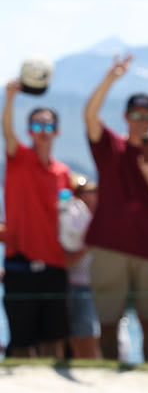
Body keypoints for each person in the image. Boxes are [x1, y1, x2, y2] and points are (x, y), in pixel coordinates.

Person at [83, 55, 148, 363]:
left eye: (147, 115)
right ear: (126, 116)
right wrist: (110, 78)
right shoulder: (110, 144)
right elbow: (90, 115)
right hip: (110, 246)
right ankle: (112, 379)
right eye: (136, 113)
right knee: (109, 323)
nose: (142, 119)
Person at [3, 78, 73, 359]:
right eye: (36, 125)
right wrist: (9, 99)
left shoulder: (63, 173)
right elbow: (6, 132)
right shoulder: (18, 158)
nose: (42, 131)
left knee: (55, 339)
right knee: (21, 341)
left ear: (57, 131)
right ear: (29, 131)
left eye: (47, 126)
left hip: (56, 262)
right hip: (21, 261)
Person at [61, 175, 100, 359]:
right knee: (83, 338)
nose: (90, 196)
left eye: (93, 192)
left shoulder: (98, 221)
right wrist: (87, 247)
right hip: (77, 286)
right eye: (84, 192)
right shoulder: (71, 221)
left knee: (90, 337)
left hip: (96, 288)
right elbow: (67, 261)